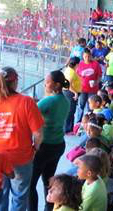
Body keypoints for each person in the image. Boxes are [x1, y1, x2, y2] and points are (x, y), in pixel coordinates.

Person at [0, 67, 44, 211]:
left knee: (1, 194)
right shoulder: (27, 102)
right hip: (21, 158)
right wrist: (35, 149)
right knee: (20, 195)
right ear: (15, 82)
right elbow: (38, 134)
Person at [29, 71, 70, 211]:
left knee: (30, 184)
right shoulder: (65, 100)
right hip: (58, 145)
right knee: (49, 181)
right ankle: (49, 208)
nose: (45, 84)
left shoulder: (49, 101)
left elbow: (30, 112)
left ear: (56, 84)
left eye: (47, 82)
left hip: (45, 147)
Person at [74, 49, 102, 124]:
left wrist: (96, 82)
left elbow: (99, 76)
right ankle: (78, 123)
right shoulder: (80, 64)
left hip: (93, 89)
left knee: (91, 107)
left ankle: (90, 123)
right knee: (81, 106)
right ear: (83, 56)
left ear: (91, 56)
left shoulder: (96, 64)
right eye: (85, 56)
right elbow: (76, 76)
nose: (87, 58)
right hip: (82, 89)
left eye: (89, 56)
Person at [63, 57, 81, 133]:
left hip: (68, 93)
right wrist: (75, 93)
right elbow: (68, 85)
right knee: (70, 111)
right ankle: (67, 129)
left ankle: (69, 128)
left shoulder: (69, 69)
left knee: (70, 111)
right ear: (76, 64)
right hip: (70, 93)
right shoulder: (71, 72)